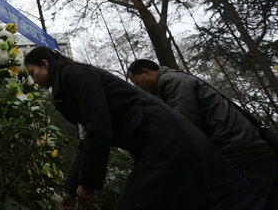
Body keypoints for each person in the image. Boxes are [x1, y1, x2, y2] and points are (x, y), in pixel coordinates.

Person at [24, 46, 247, 210]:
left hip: (164, 142)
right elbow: (87, 138)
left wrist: (88, 183)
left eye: (33, 73)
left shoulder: (75, 74)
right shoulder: (67, 87)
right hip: (157, 145)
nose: (34, 81)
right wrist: (71, 188)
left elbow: (99, 128)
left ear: (45, 64)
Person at [126, 59, 278, 210]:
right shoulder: (176, 78)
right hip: (247, 152)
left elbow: (184, 126)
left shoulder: (171, 81)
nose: (140, 88)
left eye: (138, 82)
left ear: (146, 72)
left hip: (240, 156)